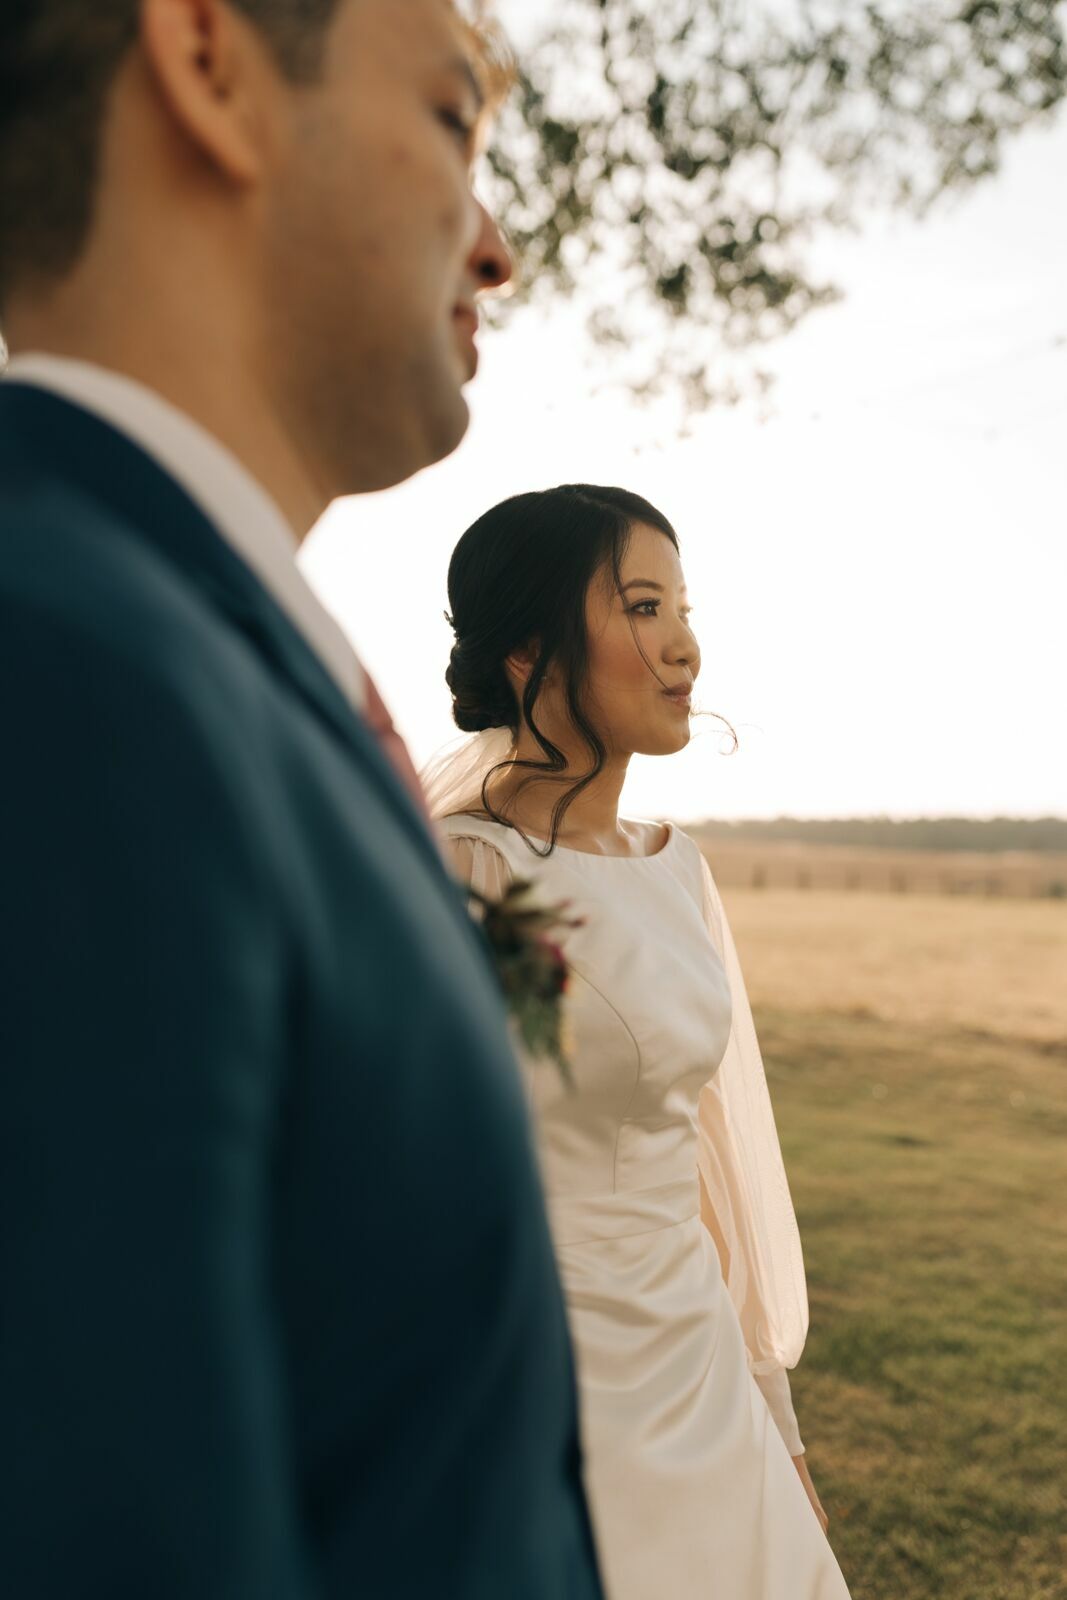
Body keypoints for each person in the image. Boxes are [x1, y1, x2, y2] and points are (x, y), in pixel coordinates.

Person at [0, 5, 603, 1597]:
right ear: (210, 64)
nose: (496, 248)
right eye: (451, 122)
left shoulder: (185, 646)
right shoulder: (57, 677)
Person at [429, 484, 853, 1599]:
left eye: (682, 608)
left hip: (698, 1360)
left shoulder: (675, 868)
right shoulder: (483, 882)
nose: (685, 649)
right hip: (542, 1378)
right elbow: (439, 1150)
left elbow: (702, 1152)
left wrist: (778, 1430)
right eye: (642, 607)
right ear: (529, 649)